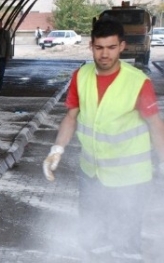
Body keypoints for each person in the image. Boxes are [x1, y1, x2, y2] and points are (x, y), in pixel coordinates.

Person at [42, 18, 164, 262]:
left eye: (110, 47)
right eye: (99, 48)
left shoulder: (137, 82)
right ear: (91, 47)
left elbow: (155, 124)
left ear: (122, 46)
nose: (104, 54)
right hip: (92, 173)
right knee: (92, 236)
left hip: (130, 178)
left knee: (126, 242)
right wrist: (57, 149)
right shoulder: (81, 76)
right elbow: (71, 116)